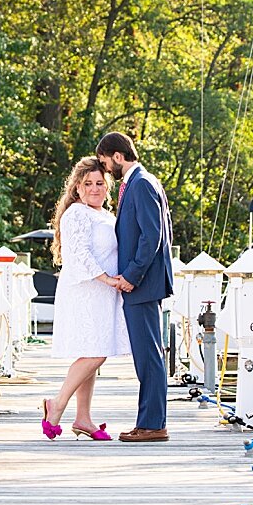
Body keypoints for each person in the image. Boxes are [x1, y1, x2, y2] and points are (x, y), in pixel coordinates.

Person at [42, 156, 130, 441]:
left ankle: (83, 418)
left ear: (108, 186)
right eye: (88, 184)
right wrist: (107, 279)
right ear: (77, 188)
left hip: (104, 293)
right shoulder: (77, 214)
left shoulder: (106, 215)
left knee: (93, 352)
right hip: (86, 290)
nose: (94, 188)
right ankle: (56, 405)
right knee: (95, 351)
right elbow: (78, 254)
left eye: (100, 183)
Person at [95, 130, 174, 443]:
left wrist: (131, 275)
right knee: (147, 356)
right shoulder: (142, 182)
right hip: (144, 284)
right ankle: (148, 421)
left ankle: (153, 424)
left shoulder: (140, 184)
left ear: (117, 156)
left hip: (142, 284)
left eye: (105, 162)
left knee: (149, 357)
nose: (105, 169)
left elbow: (150, 236)